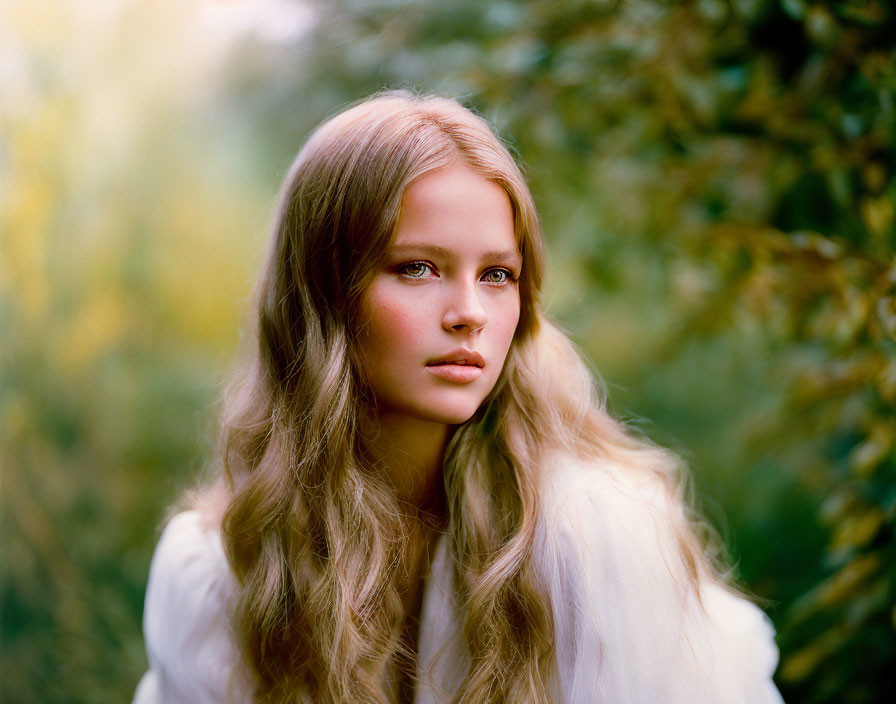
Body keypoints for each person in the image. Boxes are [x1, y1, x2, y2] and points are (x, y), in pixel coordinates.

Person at [132, 90, 784, 704]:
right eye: (417, 267)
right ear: (323, 293)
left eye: (498, 275)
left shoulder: (595, 536)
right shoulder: (221, 572)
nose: (469, 312)